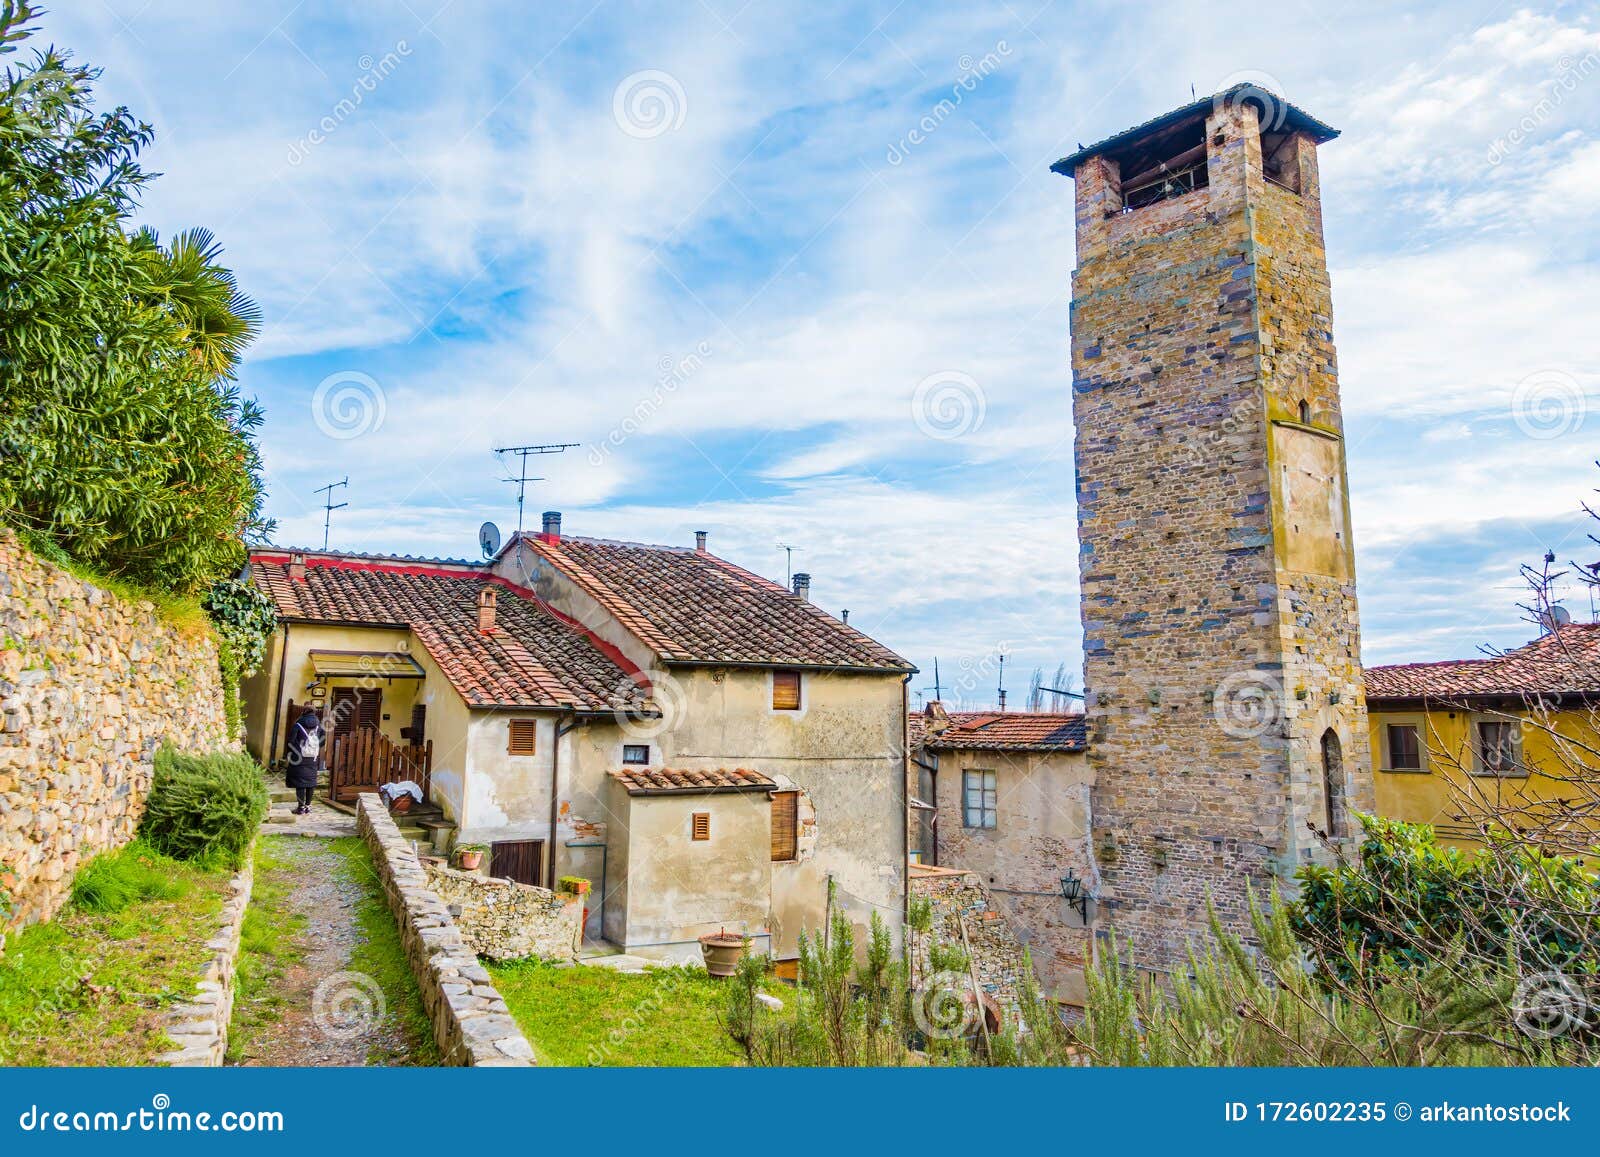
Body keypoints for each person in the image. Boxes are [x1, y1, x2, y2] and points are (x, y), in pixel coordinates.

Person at [284, 705, 323, 815]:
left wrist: (291, 754)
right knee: (310, 782)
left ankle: (301, 807)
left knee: (300, 782)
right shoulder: (318, 725)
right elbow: (322, 740)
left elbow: (290, 741)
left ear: (304, 712)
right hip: (313, 758)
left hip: (299, 757)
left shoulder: (298, 724)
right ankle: (308, 806)